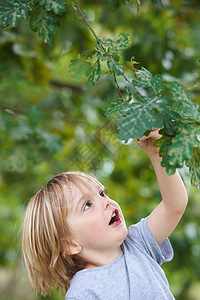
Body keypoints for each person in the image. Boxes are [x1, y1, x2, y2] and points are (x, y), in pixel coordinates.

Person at [21, 128, 188, 299]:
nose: (106, 201)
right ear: (70, 244)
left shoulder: (137, 244)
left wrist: (158, 154)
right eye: (87, 205)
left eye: (101, 193)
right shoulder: (83, 292)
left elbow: (174, 205)